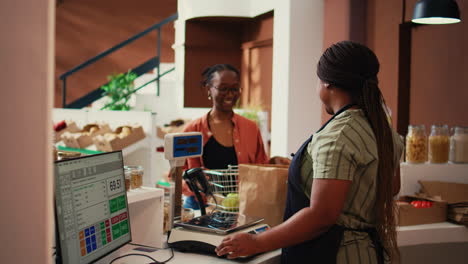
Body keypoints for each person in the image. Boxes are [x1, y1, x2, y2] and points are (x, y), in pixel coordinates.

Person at [215, 41, 404, 264]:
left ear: (326, 83)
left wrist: (257, 242)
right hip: (370, 252)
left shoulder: (337, 136)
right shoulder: (383, 130)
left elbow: (322, 216)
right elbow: (392, 187)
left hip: (334, 255)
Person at [182, 64, 290, 209]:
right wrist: (197, 188)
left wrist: (273, 162)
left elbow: (259, 166)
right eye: (223, 88)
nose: (230, 94)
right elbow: (178, 174)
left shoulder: (250, 128)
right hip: (200, 205)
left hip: (242, 204)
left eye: (235, 88)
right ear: (209, 89)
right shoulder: (192, 130)